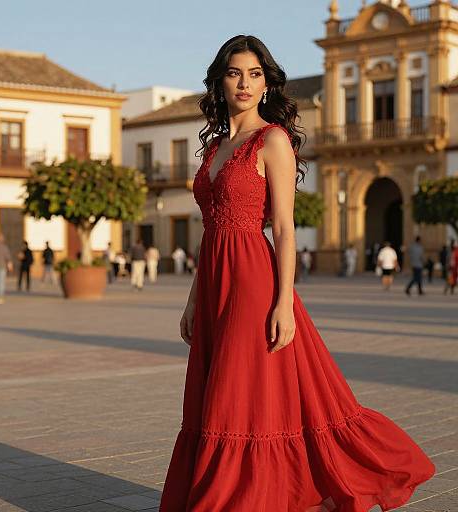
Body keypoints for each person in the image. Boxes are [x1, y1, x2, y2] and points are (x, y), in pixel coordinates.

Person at [159, 35, 434, 512]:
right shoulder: (215, 148)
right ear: (219, 81)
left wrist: (283, 301)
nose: (244, 84)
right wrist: (190, 299)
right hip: (215, 284)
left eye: (255, 74)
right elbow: (210, 230)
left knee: (237, 393)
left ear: (266, 84)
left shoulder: (273, 140)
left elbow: (284, 227)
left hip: (253, 280)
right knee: (218, 392)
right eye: (234, 73)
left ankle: (239, 498)